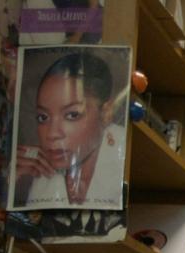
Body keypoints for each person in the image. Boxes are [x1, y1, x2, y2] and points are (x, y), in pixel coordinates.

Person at [13, 50, 124, 210]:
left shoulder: (124, 159)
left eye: (72, 115)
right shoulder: (40, 172)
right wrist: (12, 182)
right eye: (43, 117)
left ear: (106, 113)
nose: (52, 134)